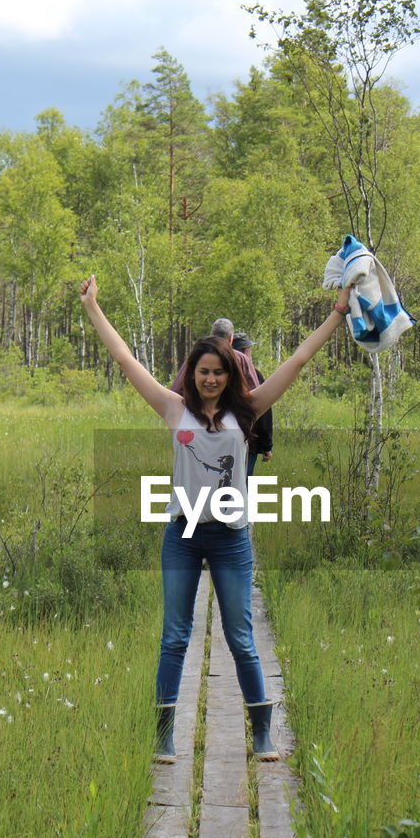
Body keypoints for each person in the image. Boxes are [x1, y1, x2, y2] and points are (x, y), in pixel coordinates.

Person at [79, 274, 352, 763]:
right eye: (202, 371)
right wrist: (94, 308)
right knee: (175, 636)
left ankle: (262, 732)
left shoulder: (246, 412)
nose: (209, 379)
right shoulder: (173, 410)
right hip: (182, 536)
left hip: (230, 538)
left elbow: (299, 360)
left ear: (230, 374)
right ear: (192, 373)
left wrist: (337, 313)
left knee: (241, 637)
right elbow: (125, 360)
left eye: (217, 372)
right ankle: (164, 734)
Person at [170, 318, 259, 393]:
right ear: (231, 338)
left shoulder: (197, 356)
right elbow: (255, 392)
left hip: (197, 410)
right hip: (235, 412)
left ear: (211, 335)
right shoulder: (241, 359)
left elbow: (176, 389)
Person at [232, 331, 272, 478]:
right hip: (250, 439)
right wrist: (267, 446)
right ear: (243, 352)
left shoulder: (217, 375)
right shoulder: (254, 375)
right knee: (243, 483)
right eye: (249, 350)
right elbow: (264, 411)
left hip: (221, 440)